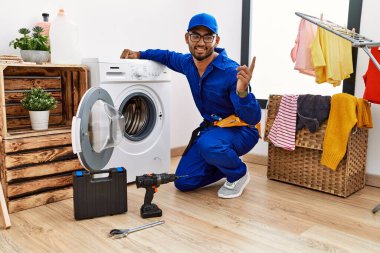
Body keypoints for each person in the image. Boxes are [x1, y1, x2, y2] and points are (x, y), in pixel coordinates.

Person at [121, 13, 261, 199]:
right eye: (196, 35)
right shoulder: (188, 63)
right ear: (187, 38)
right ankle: (226, 161)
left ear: (216, 40)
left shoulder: (230, 71)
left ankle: (238, 173)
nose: (201, 43)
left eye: (208, 37)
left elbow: (253, 118)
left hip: (242, 130)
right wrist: (139, 54)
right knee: (183, 181)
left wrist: (243, 92)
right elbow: (167, 56)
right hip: (214, 131)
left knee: (207, 144)